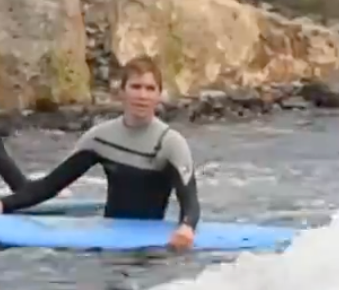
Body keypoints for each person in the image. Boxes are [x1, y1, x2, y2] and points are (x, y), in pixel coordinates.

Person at [0, 56, 198, 251]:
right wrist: (4, 204)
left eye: (150, 89)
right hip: (108, 246)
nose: (143, 96)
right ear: (122, 92)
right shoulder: (100, 138)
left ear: (158, 95)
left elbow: (190, 201)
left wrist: (187, 227)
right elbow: (48, 186)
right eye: (136, 87)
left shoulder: (170, 143)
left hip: (153, 250)